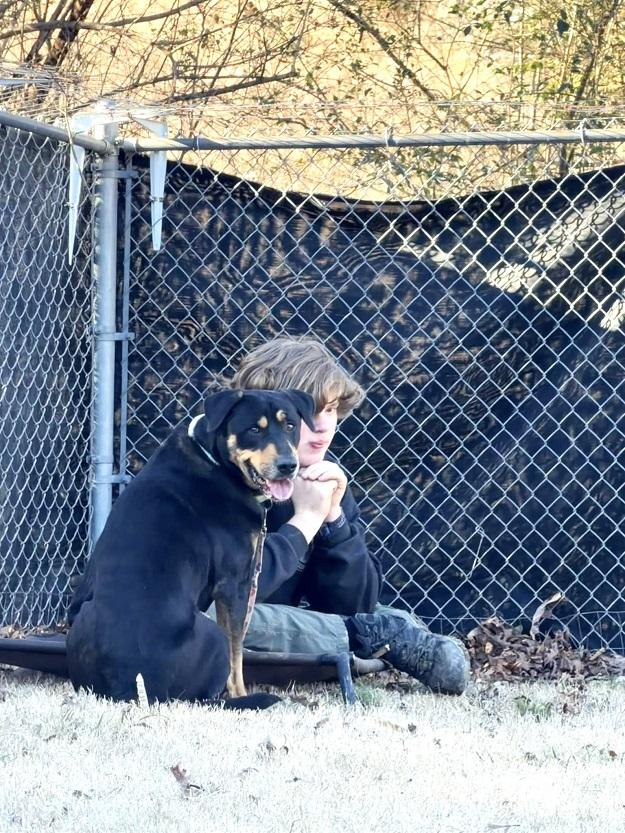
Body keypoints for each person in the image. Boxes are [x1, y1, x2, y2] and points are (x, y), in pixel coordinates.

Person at [220, 335, 469, 695]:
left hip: (287, 622)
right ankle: (369, 639)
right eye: (308, 412)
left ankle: (379, 634)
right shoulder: (221, 476)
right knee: (214, 615)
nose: (324, 425)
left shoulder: (319, 475)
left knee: (383, 615)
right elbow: (237, 593)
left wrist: (333, 520)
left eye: (332, 409)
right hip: (206, 620)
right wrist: (305, 522)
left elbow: (353, 603)